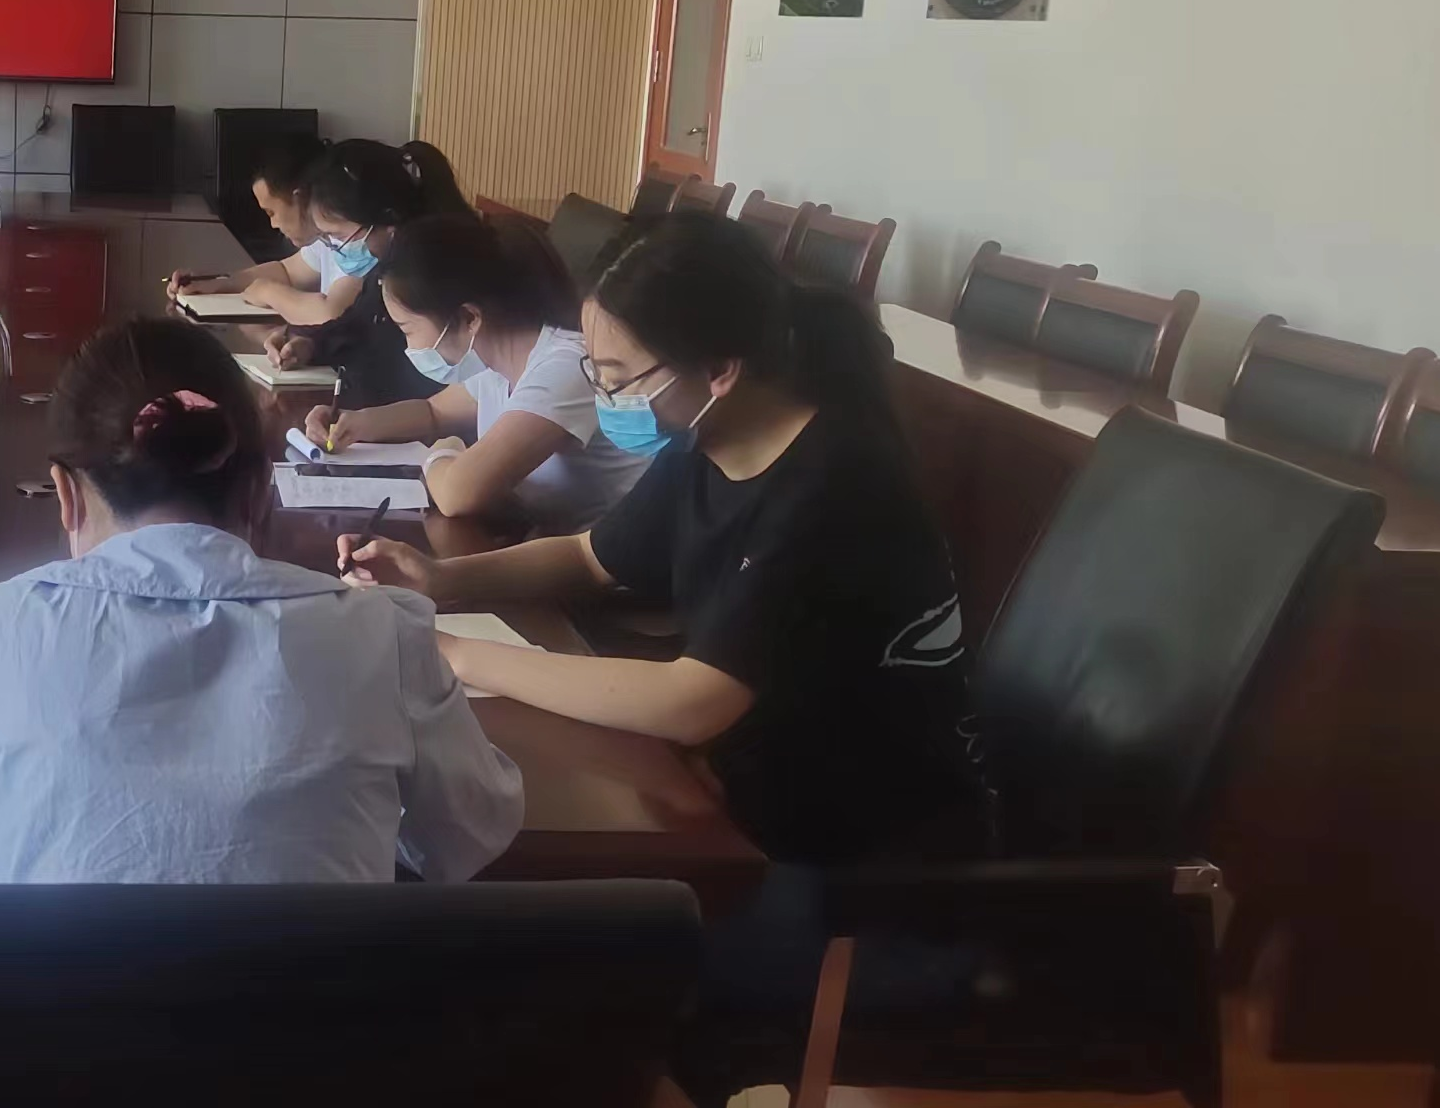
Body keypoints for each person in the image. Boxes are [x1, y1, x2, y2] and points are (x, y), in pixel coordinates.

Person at [341, 212, 988, 865]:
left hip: (871, 847)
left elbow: (692, 702)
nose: (605, 395)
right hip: (750, 780)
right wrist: (439, 577)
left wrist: (457, 654)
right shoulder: (708, 441)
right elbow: (589, 556)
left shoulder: (834, 489)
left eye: (617, 377)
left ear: (720, 369)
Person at [0, 316, 526, 883]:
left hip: (49, 1029)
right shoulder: (384, 635)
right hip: (314, 1029)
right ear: (259, 490)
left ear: (65, 494)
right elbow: (471, 833)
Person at [302, 213, 654, 530]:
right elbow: (434, 411)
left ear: (469, 317)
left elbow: (458, 495)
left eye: (408, 329)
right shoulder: (500, 361)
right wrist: (356, 423)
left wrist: (443, 452)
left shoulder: (564, 369)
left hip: (609, 566)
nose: (408, 345)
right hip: (542, 540)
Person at [264, 139, 476, 407]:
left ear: (387, 221)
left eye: (337, 236)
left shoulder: (435, 277)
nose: (333, 247)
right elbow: (357, 324)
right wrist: (307, 342)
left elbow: (424, 393)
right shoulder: (385, 268)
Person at [160, 137, 358, 326]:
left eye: (272, 212)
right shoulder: (325, 238)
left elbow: (331, 313)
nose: (273, 224)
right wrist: (216, 283)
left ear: (299, 198)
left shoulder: (358, 239)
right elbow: (287, 272)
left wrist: (269, 292)